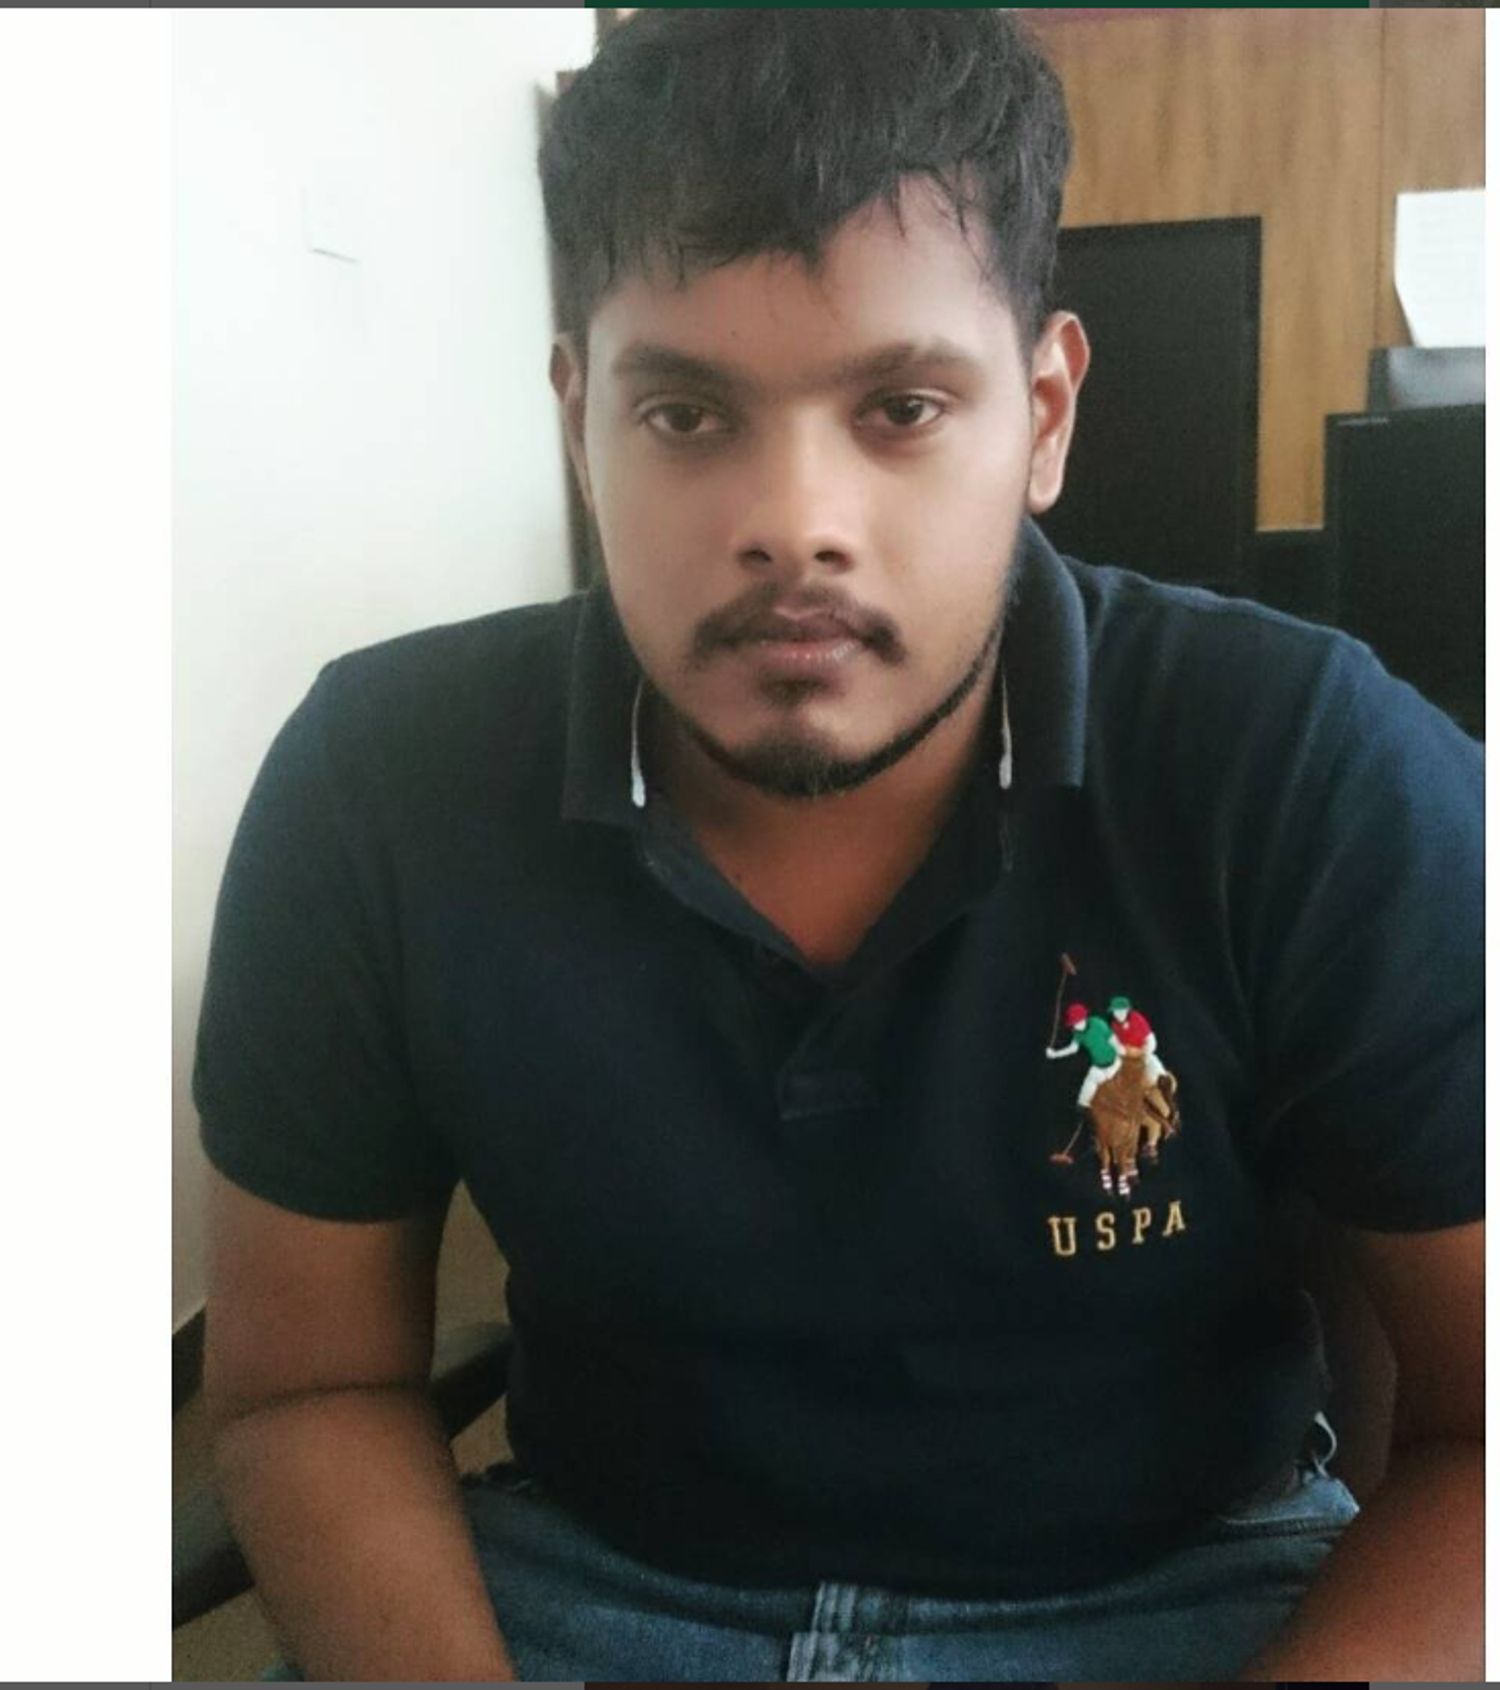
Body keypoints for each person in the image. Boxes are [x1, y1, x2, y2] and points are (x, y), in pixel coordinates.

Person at [192, 9, 1483, 1684]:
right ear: (579, 417)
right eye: (684, 415)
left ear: (1044, 413)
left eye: (901, 406)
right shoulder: (378, 783)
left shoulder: (1306, 765)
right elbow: (310, 1384)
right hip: (588, 1588)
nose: (794, 523)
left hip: (1180, 1592)